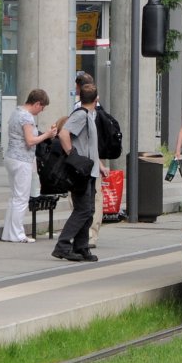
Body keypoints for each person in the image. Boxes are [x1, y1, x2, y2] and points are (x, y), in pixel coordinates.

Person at [52, 83, 108, 262]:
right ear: (97, 99)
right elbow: (63, 134)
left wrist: (98, 165)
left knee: (88, 209)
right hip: (80, 170)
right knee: (83, 210)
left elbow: (90, 145)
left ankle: (81, 247)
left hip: (89, 170)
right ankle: (62, 246)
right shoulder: (81, 115)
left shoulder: (89, 115)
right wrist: (72, 155)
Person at [2, 89, 57, 243]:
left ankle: (9, 233)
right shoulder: (27, 117)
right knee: (21, 198)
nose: (42, 110)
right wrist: (47, 135)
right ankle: (18, 234)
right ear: (37, 103)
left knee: (14, 197)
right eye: (42, 107)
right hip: (22, 160)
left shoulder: (16, 112)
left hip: (11, 157)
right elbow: (30, 140)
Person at [75, 72, 105, 249]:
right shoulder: (97, 110)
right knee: (94, 199)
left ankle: (85, 234)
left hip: (83, 162)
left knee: (82, 200)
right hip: (92, 161)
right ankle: (90, 234)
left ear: (79, 89)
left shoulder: (81, 111)